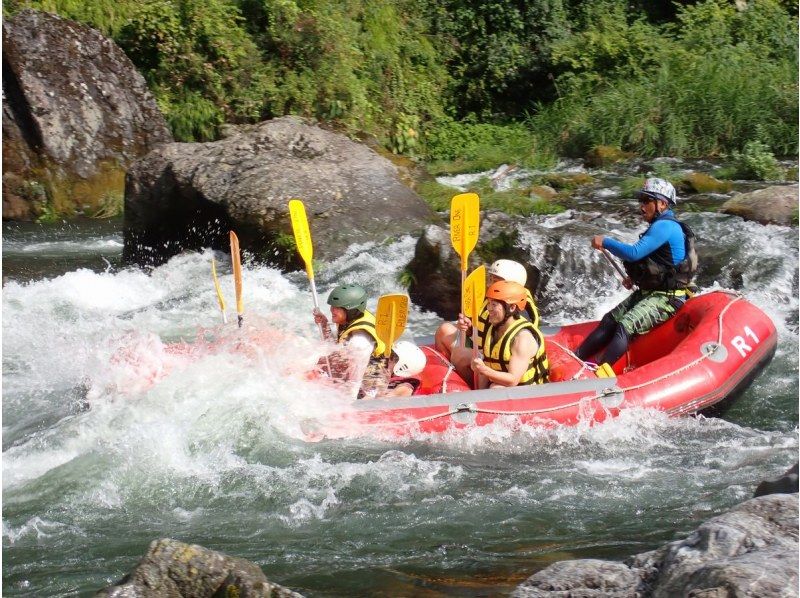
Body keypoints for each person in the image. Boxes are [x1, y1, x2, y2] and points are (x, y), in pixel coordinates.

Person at [575, 177, 698, 374]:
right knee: (610, 320)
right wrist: (636, 279)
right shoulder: (660, 225)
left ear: (662, 204)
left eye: (647, 201)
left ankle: (597, 374)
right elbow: (657, 265)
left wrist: (605, 241)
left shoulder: (666, 226)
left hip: (668, 298)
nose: (642, 206)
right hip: (652, 292)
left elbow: (634, 253)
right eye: (641, 200)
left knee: (625, 325)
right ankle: (575, 358)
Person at [434, 259, 540, 386]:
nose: (490, 284)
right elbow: (485, 331)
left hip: (503, 360)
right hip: (487, 351)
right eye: (490, 279)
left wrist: (484, 366)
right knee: (444, 330)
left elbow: (504, 343)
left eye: (495, 281)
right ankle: (452, 380)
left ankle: (469, 390)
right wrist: (468, 328)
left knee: (460, 356)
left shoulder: (518, 309)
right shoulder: (494, 297)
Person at [313, 284, 388, 399]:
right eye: (332, 306)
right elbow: (334, 346)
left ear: (351, 310)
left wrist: (347, 405)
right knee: (321, 362)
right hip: (357, 372)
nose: (332, 310)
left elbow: (354, 382)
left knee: (323, 363)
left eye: (337, 308)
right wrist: (324, 325)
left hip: (370, 385)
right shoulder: (350, 319)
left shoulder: (359, 342)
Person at [470, 280, 549, 388]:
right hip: (499, 383)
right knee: (478, 368)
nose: (489, 309)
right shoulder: (492, 328)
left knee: (495, 388)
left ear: (512, 307)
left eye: (494, 305)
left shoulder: (522, 339)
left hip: (529, 393)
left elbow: (512, 380)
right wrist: (466, 328)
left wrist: (484, 370)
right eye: (488, 303)